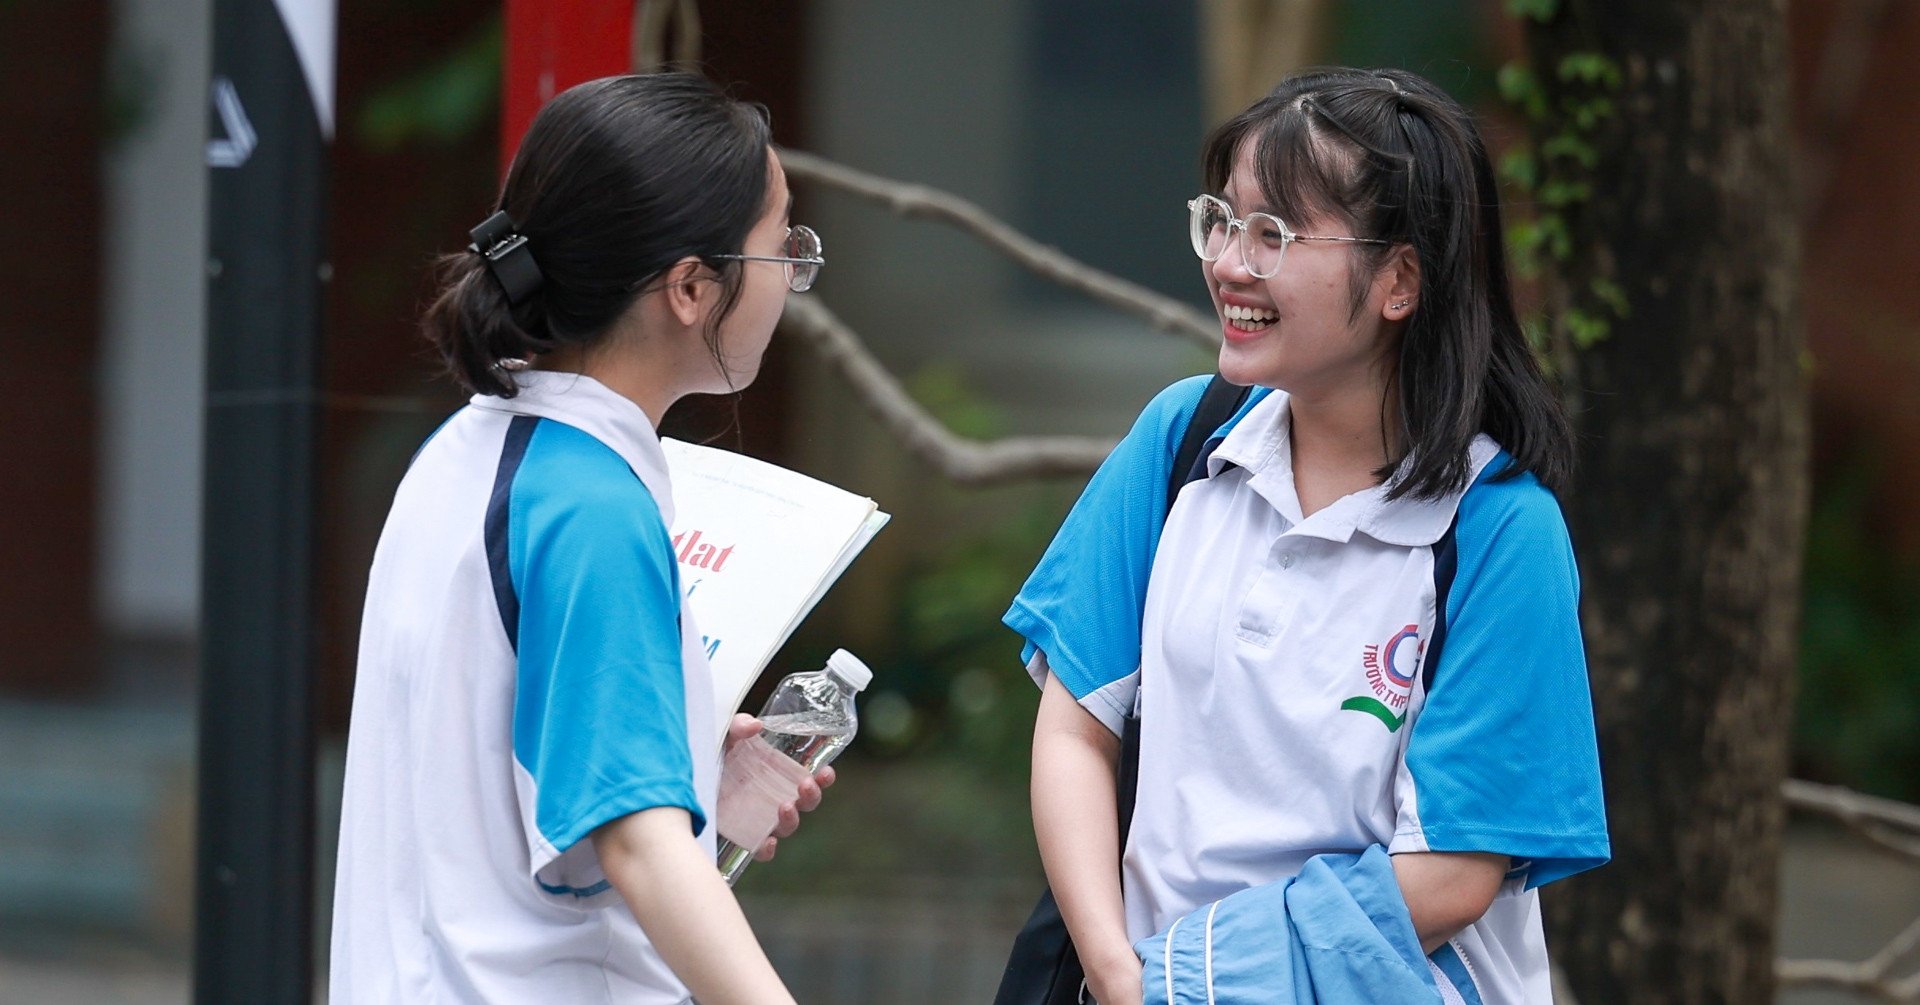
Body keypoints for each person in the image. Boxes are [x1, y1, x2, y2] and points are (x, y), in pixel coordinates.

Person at [1007, 67, 1609, 1004]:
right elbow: (1076, 726)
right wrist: (1114, 972)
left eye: (1274, 233)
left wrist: (1180, 978)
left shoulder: (1499, 528)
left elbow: (1448, 878)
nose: (1229, 263)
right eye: (1225, 218)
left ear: (1400, 279)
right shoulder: (1182, 438)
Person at [330, 73, 832, 1004]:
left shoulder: (467, 449)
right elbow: (639, 844)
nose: (794, 276)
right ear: (691, 286)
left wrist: (684, 768)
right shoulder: (591, 504)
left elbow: (497, 797)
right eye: (781, 245)